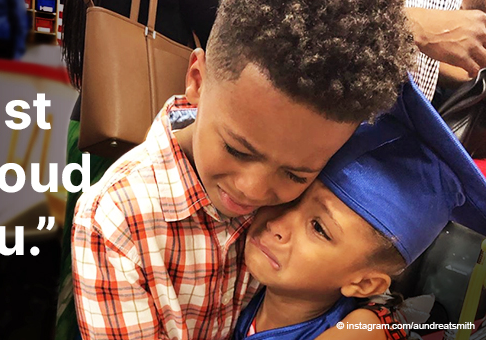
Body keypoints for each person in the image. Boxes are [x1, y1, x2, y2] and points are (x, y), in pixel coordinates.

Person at [70, 0, 416, 338]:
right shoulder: (116, 220)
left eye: (295, 174)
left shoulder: (311, 189)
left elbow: (369, 265)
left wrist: (370, 321)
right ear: (196, 79)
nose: (253, 190)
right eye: (236, 149)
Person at [232, 79, 486, 340]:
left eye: (318, 228)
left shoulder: (359, 330)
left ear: (364, 284)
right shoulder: (241, 284)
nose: (278, 224)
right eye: (293, 197)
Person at [55, 0, 220, 338]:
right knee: (123, 259)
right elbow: (220, 32)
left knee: (80, 260)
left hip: (93, 115)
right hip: (141, 125)